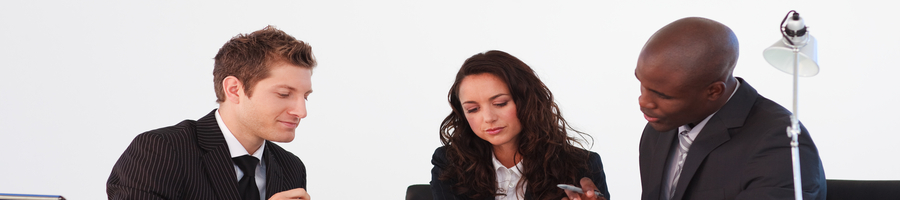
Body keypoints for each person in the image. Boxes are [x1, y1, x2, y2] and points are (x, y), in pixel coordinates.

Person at [107, 26, 315, 200]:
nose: (301, 111)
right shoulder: (161, 151)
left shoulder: (291, 168)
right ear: (234, 89)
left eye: (305, 96)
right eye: (284, 94)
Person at [635, 17, 826, 200]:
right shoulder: (660, 128)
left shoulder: (780, 145)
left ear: (714, 91)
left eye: (663, 95)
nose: (644, 101)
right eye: (642, 83)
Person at [430, 50, 610, 200]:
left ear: (528, 102)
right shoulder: (449, 163)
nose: (488, 118)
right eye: (473, 109)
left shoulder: (582, 166)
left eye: (500, 103)